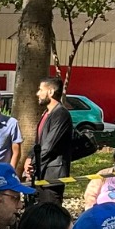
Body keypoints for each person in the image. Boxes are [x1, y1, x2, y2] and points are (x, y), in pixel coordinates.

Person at [28, 76, 73, 205]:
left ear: (51, 92)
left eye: (40, 90)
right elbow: (39, 142)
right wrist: (29, 158)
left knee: (51, 215)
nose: (38, 93)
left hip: (52, 176)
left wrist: (32, 162)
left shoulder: (61, 114)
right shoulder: (46, 113)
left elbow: (49, 145)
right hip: (40, 173)